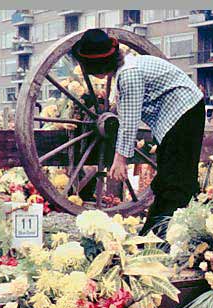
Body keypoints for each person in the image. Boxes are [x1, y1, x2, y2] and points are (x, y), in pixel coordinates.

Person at [71, 29, 205, 235]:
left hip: (184, 111)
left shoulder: (129, 74)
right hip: (178, 114)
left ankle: (164, 235)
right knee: (168, 178)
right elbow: (126, 111)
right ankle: (156, 234)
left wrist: (120, 159)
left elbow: (130, 121)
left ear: (97, 67)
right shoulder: (126, 70)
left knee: (176, 180)